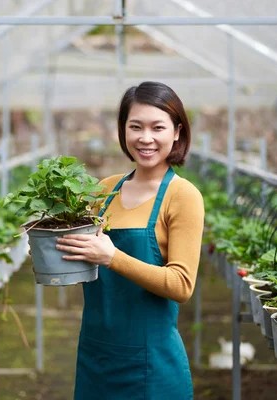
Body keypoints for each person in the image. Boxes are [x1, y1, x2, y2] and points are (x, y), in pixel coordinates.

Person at [54, 81, 204, 400]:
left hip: (151, 364)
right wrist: (52, 247)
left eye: (157, 127)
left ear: (177, 132)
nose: (145, 138)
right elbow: (83, 257)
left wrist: (112, 257)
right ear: (123, 130)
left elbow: (182, 285)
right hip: (96, 355)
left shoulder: (182, 196)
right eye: (135, 126)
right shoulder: (103, 190)